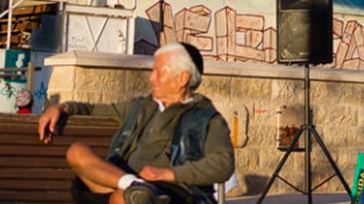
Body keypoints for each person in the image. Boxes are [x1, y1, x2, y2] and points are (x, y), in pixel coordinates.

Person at [38, 42, 234, 204]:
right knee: (77, 151)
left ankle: (138, 191)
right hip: (122, 180)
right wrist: (61, 108)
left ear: (182, 78)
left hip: (172, 194)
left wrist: (168, 174)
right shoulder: (141, 107)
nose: (152, 78)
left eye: (159, 72)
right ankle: (134, 186)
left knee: (122, 200)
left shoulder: (206, 118)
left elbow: (223, 164)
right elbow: (93, 110)